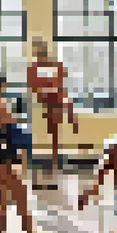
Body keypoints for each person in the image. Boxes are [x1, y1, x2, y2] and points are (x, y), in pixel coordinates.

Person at [0, 71, 41, 233]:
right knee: (19, 197)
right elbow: (9, 125)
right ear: (0, 87)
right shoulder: (0, 105)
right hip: (4, 159)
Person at [28, 38, 79, 175]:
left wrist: (57, 79)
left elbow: (61, 77)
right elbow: (33, 85)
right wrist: (42, 90)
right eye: (38, 52)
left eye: (42, 51)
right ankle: (54, 160)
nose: (40, 54)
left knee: (56, 126)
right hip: (46, 99)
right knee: (53, 129)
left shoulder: (53, 64)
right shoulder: (34, 67)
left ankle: (72, 121)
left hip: (54, 96)